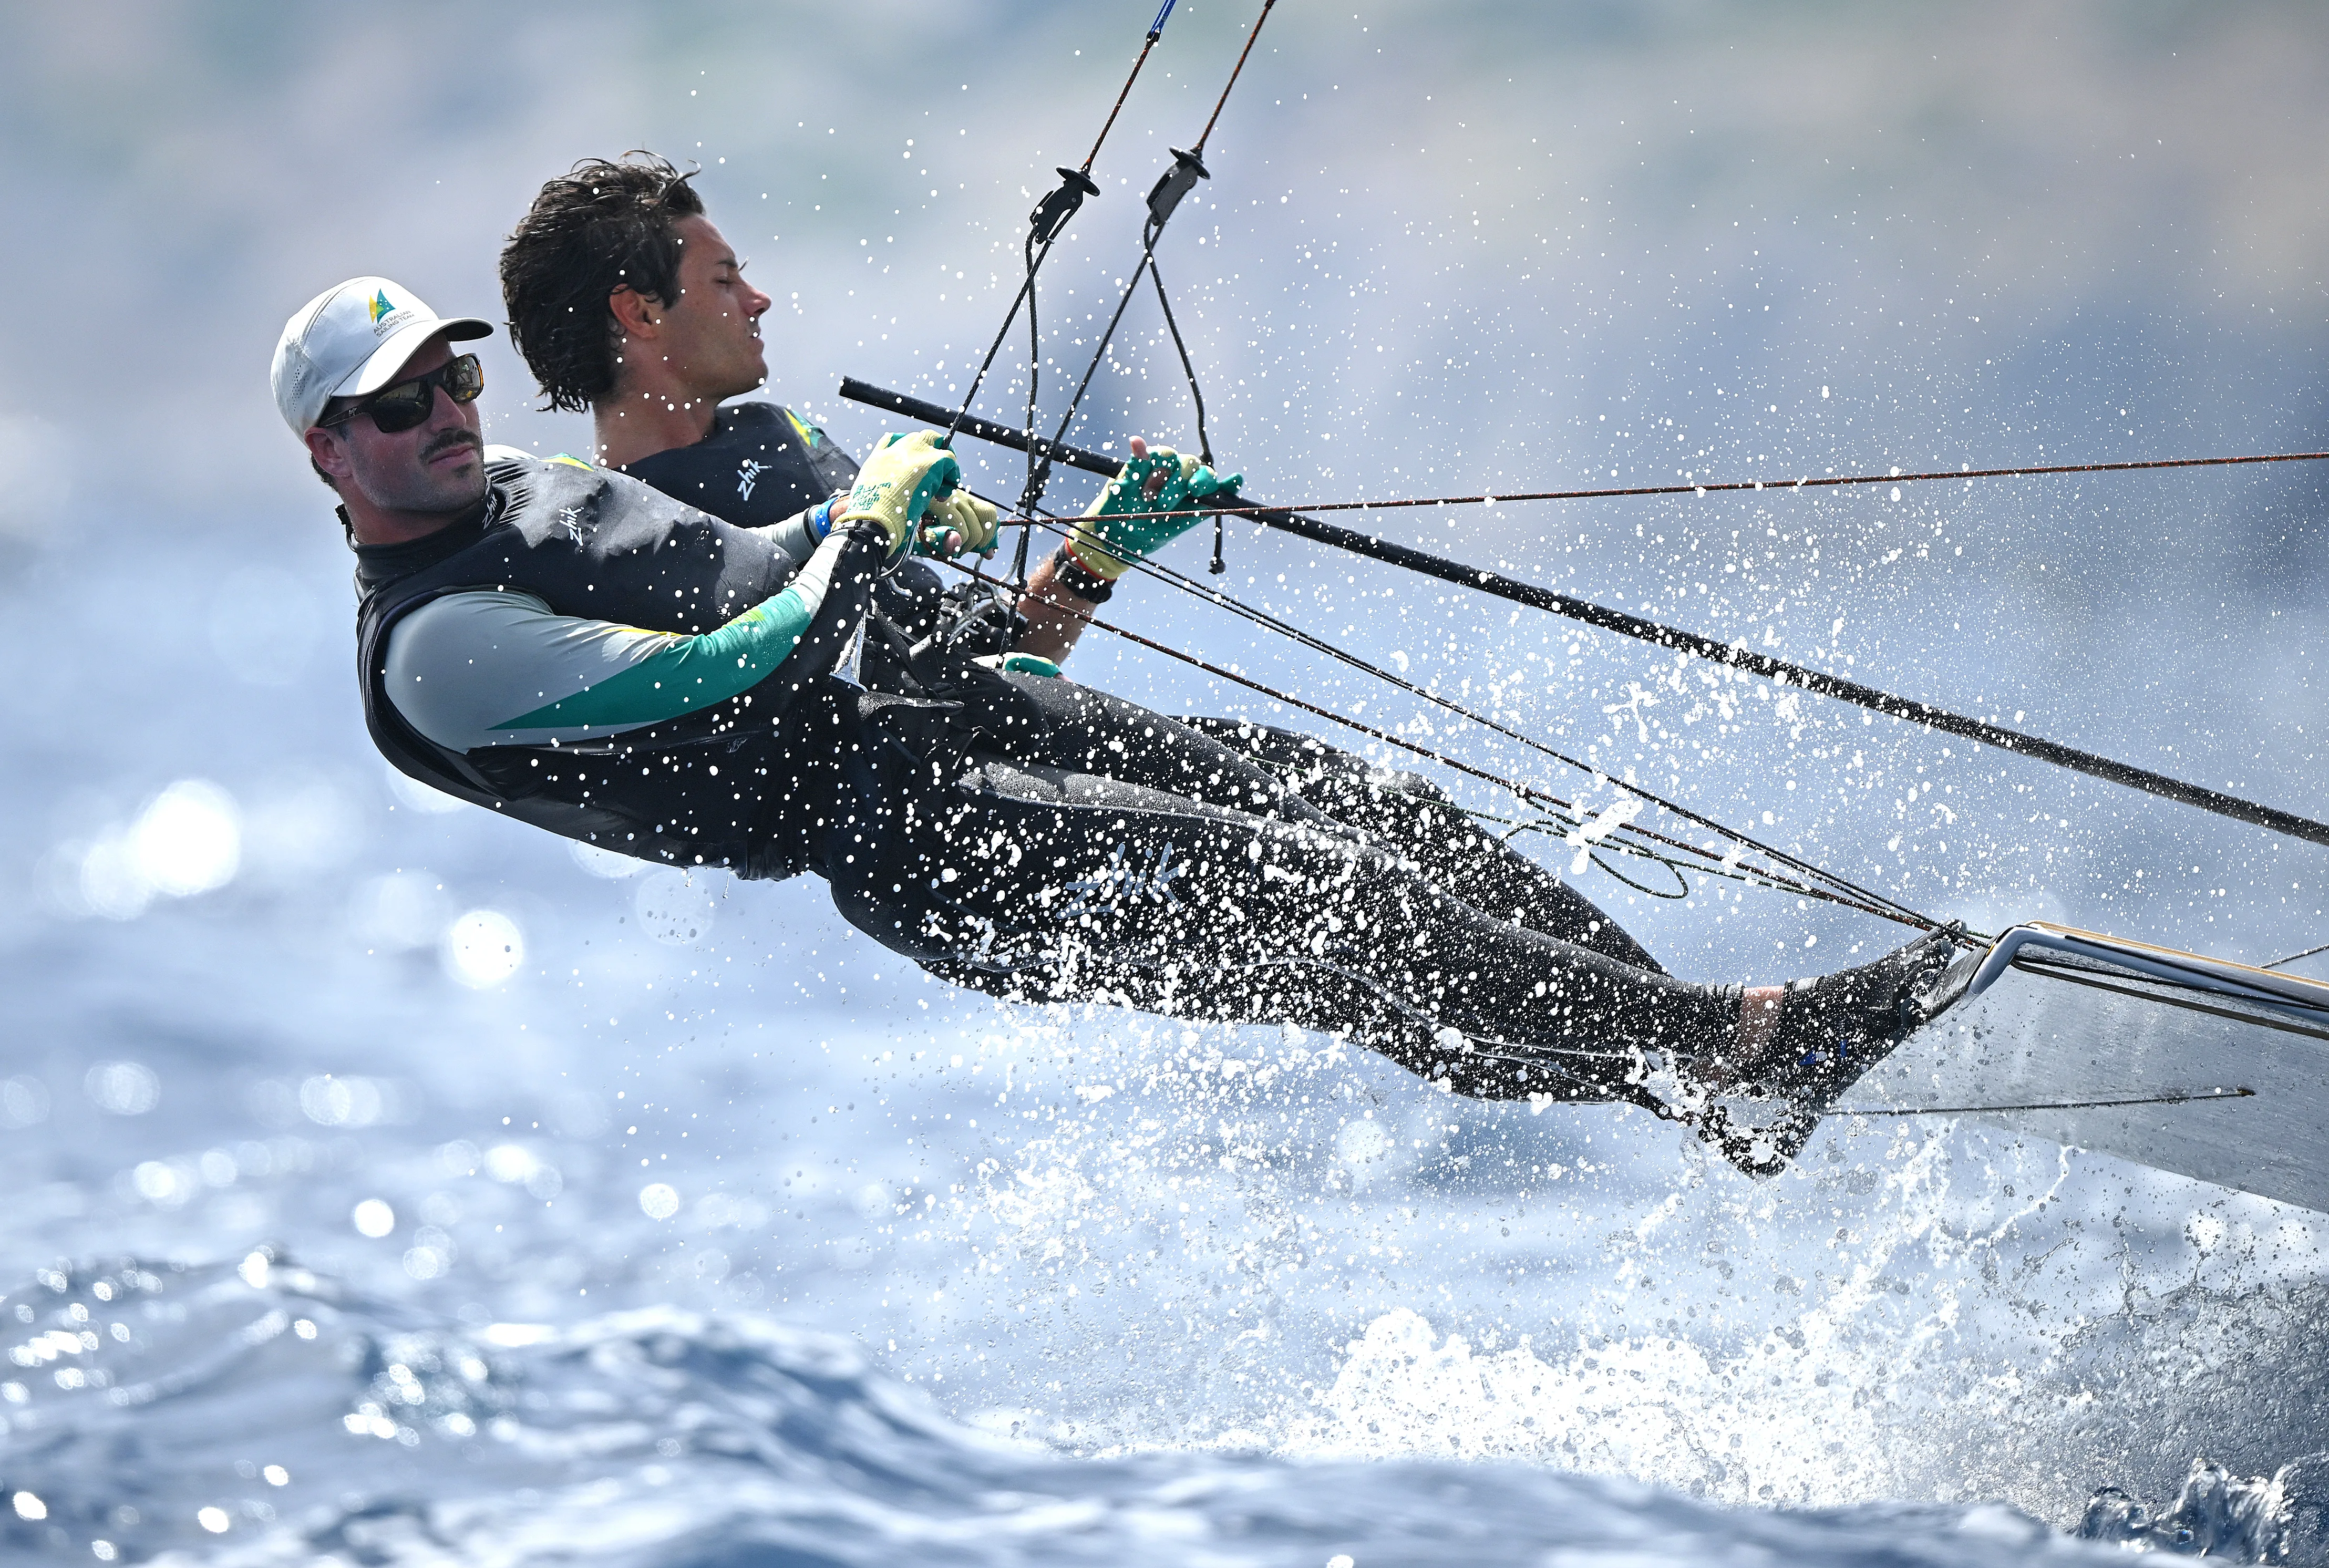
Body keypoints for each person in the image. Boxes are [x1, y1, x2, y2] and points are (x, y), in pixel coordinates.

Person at [279, 261, 1957, 1181]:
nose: (446, 414)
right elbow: (734, 666)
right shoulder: (437, 654)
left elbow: (922, 629)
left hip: (977, 737)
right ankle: (1743, 1048)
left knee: (1381, 822)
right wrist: (860, 531)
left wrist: (1090, 556)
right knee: (1337, 912)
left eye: (456, 377)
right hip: (928, 848)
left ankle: (1714, 1068)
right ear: (329, 455)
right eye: (397, 405)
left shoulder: (531, 490)